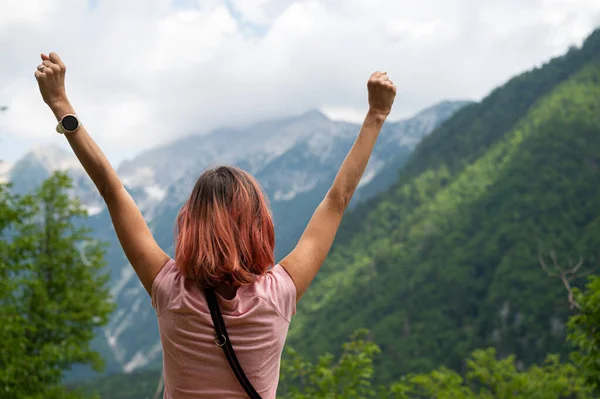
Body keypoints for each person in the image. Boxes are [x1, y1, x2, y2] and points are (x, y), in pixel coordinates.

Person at [34, 52, 396, 398]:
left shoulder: (169, 291)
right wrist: (376, 114)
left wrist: (61, 104)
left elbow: (112, 191)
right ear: (260, 227)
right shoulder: (279, 294)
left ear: (189, 224)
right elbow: (336, 202)